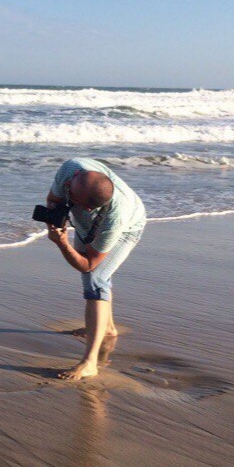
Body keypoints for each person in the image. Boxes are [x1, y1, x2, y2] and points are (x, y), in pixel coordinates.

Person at [44, 157, 146, 380]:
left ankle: (90, 362)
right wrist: (56, 218)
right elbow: (53, 199)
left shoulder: (114, 219)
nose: (66, 186)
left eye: (70, 192)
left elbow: (88, 264)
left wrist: (62, 243)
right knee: (98, 278)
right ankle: (107, 328)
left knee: (95, 278)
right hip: (89, 221)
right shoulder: (72, 169)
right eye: (70, 184)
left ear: (86, 207)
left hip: (129, 227)